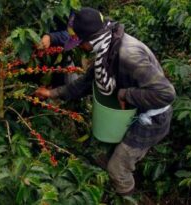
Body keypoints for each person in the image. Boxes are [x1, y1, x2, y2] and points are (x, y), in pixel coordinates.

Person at [35, 7, 176, 195]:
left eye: (79, 42)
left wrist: (125, 94)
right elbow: (85, 83)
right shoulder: (107, 50)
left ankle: (127, 197)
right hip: (130, 111)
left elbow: (166, 94)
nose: (78, 47)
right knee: (105, 154)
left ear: (90, 39)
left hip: (152, 118)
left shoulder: (127, 55)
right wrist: (52, 94)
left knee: (116, 168)